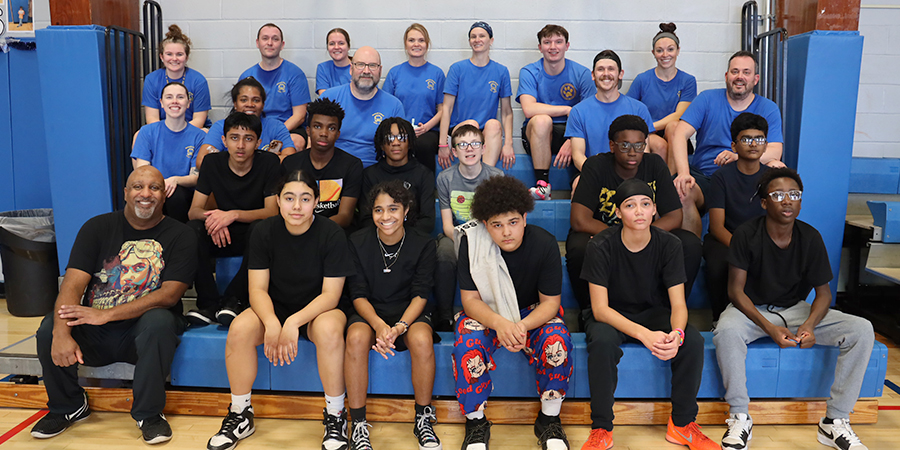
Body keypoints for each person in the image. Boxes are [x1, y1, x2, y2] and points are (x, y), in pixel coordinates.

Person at [30, 166, 196, 444]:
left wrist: (105, 315)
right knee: (49, 327)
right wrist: (61, 332)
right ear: (126, 193)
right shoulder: (97, 227)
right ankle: (68, 406)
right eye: (138, 187)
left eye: (154, 188)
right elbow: (73, 283)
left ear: (163, 195)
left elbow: (169, 295)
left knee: (160, 321)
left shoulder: (181, 235)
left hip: (142, 333)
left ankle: (149, 414)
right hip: (95, 331)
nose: (146, 194)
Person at [713, 168, 875, 450]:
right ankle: (740, 416)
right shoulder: (746, 234)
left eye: (793, 194)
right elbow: (735, 291)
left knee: (861, 329)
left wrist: (810, 324)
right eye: (777, 195)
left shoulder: (810, 237)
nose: (786, 200)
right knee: (726, 331)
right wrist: (769, 328)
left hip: (795, 309)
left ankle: (834, 422)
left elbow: (824, 293)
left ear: (800, 201)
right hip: (751, 310)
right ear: (764, 202)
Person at [207, 169, 353, 450]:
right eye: (289, 198)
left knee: (329, 329)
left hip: (318, 309)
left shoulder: (332, 233)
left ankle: (336, 416)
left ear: (316, 201)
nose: (296, 206)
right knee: (240, 329)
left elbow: (331, 295)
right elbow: (257, 290)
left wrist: (292, 323)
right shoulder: (263, 231)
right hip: (276, 305)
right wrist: (273, 322)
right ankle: (240, 413)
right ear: (277, 200)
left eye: (305, 198)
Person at [579, 178, 718, 450]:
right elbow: (600, 309)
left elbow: (679, 305)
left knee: (692, 341)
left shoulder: (669, 244)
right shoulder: (600, 246)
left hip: (655, 311)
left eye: (645, 204)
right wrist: (644, 335)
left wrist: (676, 335)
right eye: (630, 206)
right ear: (618, 212)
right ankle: (601, 428)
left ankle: (682, 425)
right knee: (603, 343)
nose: (639, 211)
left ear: (655, 209)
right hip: (611, 314)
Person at [453, 175, 573, 450]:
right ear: (485, 225)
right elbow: (470, 300)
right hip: (488, 311)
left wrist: (519, 326)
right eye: (497, 225)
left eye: (513, 222)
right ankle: (476, 422)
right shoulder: (473, 244)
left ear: (525, 218)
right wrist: (499, 323)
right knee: (466, 343)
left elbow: (550, 303)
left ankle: (549, 419)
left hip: (531, 313)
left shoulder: (544, 244)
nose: (506, 232)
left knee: (557, 336)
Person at [566, 115, 701, 316]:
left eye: (639, 146)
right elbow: (579, 220)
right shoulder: (596, 166)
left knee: (689, 244)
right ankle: (590, 311)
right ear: (612, 146)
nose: (632, 152)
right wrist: (618, 237)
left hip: (645, 231)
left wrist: (643, 235)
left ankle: (667, 309)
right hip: (603, 232)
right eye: (625, 146)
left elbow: (674, 216)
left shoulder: (654, 164)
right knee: (579, 248)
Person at [345, 180, 440, 450]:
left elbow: (421, 294)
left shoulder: (423, 243)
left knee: (422, 340)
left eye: (393, 209)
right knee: (355, 338)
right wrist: (378, 324)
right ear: (371, 212)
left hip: (408, 312)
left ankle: (423, 417)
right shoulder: (357, 241)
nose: (385, 217)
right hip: (369, 310)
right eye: (378, 210)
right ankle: (358, 423)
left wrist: (398, 327)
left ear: (406, 210)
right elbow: (358, 293)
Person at [669, 51, 785, 237]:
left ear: (755, 79)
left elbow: (775, 150)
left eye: (746, 72)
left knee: (778, 168)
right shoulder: (707, 99)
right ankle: (693, 256)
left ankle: (772, 250)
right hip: (706, 175)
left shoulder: (768, 108)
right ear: (727, 76)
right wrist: (683, 173)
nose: (740, 77)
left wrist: (738, 156)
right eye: (735, 71)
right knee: (682, 190)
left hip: (746, 177)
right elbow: (679, 133)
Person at [186, 112, 280, 326]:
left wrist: (232, 215)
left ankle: (234, 300)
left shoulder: (269, 163)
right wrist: (214, 219)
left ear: (258, 142)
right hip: (220, 234)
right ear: (223, 140)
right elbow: (194, 211)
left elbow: (272, 212)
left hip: (251, 235)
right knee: (192, 229)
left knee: (263, 228)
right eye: (234, 137)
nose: (240, 145)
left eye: (248, 139)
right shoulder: (212, 163)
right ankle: (208, 304)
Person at [434, 124, 503, 331]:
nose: (469, 149)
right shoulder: (445, 178)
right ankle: (445, 315)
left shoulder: (495, 177)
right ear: (454, 152)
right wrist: (466, 242)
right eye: (462, 145)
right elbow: (447, 225)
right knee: (444, 253)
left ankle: (497, 311)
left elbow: (498, 222)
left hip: (488, 235)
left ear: (483, 148)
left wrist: (480, 242)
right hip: (457, 235)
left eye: (475, 143)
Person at [704, 113, 770, 322]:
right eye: (746, 139)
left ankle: (767, 316)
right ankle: (719, 318)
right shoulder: (721, 177)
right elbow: (716, 226)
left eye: (758, 139)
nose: (753, 144)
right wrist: (742, 248)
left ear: (766, 145)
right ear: (734, 146)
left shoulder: (772, 179)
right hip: (725, 238)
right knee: (719, 264)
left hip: (761, 239)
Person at [516, 24, 593, 200]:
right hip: (537, 134)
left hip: (574, 133)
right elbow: (529, 109)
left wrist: (572, 140)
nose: (553, 47)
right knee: (542, 120)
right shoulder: (529, 71)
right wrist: (567, 109)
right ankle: (542, 185)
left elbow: (589, 114)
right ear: (540, 47)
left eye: (558, 42)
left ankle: (587, 185)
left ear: (567, 46)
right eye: (547, 42)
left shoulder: (582, 74)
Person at [565, 50, 663, 184]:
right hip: (594, 174)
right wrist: (599, 174)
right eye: (600, 69)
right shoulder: (578, 111)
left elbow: (643, 152)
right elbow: (577, 156)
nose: (606, 74)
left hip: (631, 175)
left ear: (620, 74)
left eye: (611, 69)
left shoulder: (639, 109)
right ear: (593, 75)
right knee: (578, 184)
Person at [438, 21, 515, 170]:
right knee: (471, 125)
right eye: (473, 37)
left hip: (485, 132)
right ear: (469, 41)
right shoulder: (457, 69)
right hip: (460, 128)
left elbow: (507, 112)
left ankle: (483, 180)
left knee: (494, 124)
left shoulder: (501, 71)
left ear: (491, 41)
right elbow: (446, 108)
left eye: (482, 36)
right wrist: (442, 144)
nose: (477, 39)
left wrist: (509, 144)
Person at [282, 98, 362, 231]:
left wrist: (315, 229)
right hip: (297, 228)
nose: (324, 133)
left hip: (333, 232)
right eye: (317, 126)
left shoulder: (352, 165)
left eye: (331, 128)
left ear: (338, 134)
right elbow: (285, 208)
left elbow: (345, 216)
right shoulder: (290, 164)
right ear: (308, 130)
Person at [131, 82, 206, 223]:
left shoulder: (199, 136)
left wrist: (175, 180)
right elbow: (142, 172)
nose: (175, 101)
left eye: (180, 97)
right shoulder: (147, 132)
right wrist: (160, 185)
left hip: (182, 195)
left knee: (176, 195)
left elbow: (196, 177)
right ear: (161, 103)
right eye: (169, 97)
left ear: (188, 103)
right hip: (153, 190)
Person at [320, 46, 405, 168]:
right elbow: (314, 140)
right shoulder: (329, 98)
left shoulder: (394, 105)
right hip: (334, 168)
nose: (366, 71)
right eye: (360, 65)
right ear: (351, 69)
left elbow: (399, 150)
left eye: (372, 66)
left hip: (375, 172)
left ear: (380, 71)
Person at [626, 22, 697, 163]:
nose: (665, 55)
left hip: (668, 131)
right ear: (653, 53)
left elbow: (679, 115)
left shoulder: (688, 80)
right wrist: (643, 129)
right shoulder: (642, 79)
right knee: (660, 145)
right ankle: (659, 182)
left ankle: (671, 181)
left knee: (673, 126)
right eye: (659, 50)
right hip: (648, 133)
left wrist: (650, 126)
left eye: (670, 49)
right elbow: (627, 109)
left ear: (678, 50)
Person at [382, 23, 446, 174]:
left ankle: (426, 189)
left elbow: (443, 109)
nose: (416, 44)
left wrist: (427, 127)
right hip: (399, 130)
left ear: (427, 44)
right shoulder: (394, 73)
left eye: (421, 40)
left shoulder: (437, 73)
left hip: (428, 131)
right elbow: (385, 105)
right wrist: (401, 129)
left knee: (421, 145)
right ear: (405, 44)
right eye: (411, 40)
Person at [240, 23, 311, 151]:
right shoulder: (247, 76)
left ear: (282, 45)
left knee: (295, 142)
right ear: (257, 43)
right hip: (255, 127)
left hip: (288, 128)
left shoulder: (295, 74)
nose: (270, 43)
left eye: (275, 39)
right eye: (265, 38)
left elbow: (299, 116)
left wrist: (276, 133)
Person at [197, 77, 295, 167]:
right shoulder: (220, 127)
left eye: (256, 100)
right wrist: (269, 159)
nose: (250, 104)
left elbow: (290, 161)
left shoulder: (276, 127)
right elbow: (202, 161)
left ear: (263, 104)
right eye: (244, 100)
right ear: (235, 103)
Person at [359, 117, 435, 235]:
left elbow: (427, 221)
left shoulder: (424, 174)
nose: (395, 143)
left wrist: (400, 236)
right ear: (381, 145)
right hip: (377, 239)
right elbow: (365, 219)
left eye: (402, 137)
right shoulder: (369, 175)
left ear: (410, 143)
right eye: (389, 138)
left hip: (413, 239)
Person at [141, 24, 211, 129]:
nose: (174, 59)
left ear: (186, 57)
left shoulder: (198, 81)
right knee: (138, 135)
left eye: (179, 54)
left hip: (192, 130)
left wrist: (179, 136)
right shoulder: (152, 80)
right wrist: (168, 136)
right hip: (162, 131)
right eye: (169, 54)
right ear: (161, 57)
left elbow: (199, 120)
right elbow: (152, 119)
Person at [316, 28, 352, 95]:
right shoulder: (323, 68)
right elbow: (324, 97)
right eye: (332, 44)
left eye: (341, 43)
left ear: (348, 46)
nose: (336, 47)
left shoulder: (361, 67)